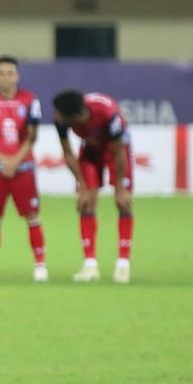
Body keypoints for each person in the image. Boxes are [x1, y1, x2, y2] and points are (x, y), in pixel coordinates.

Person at [0, 56, 47, 283]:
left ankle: (40, 265)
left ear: (17, 75)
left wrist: (15, 160)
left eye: (10, 72)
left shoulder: (30, 100)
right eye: (1, 73)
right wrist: (4, 160)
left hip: (23, 168)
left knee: (32, 217)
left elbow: (32, 136)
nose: (5, 77)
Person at [52, 90, 134, 284]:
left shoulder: (107, 113)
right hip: (90, 150)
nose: (55, 116)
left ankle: (123, 265)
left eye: (60, 114)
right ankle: (90, 265)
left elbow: (118, 151)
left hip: (117, 150)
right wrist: (83, 187)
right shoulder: (61, 120)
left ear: (74, 117)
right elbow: (68, 153)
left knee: (123, 204)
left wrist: (121, 187)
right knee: (86, 204)